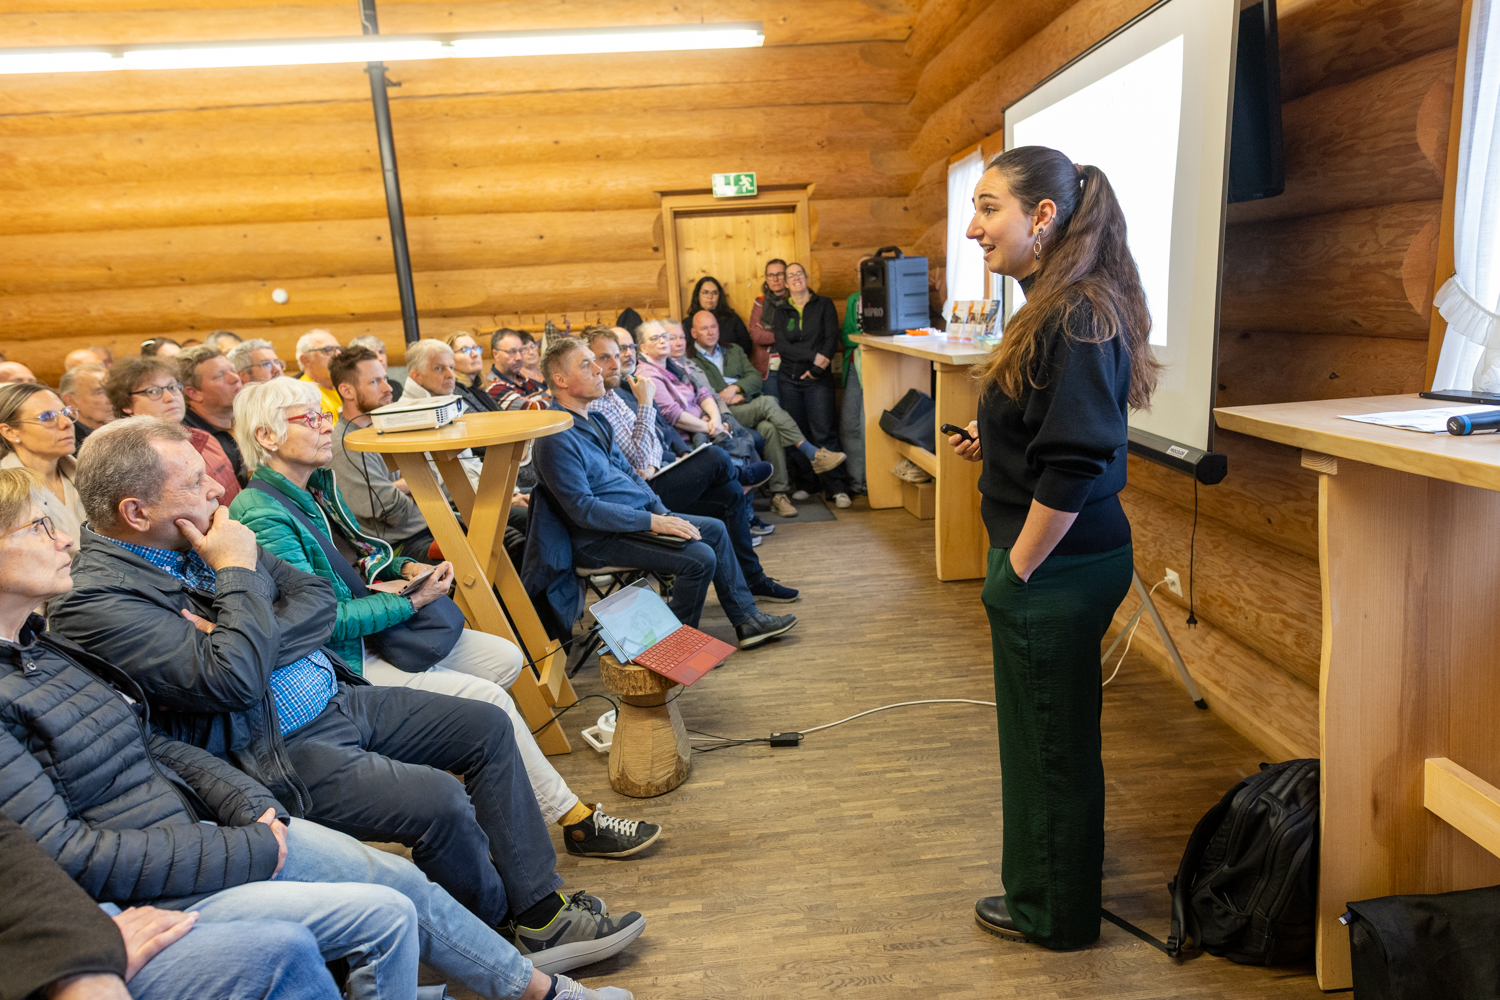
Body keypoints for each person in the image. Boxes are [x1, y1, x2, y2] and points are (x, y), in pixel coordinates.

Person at [1, 471, 632, 1000]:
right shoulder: (99, 599)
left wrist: (248, 805)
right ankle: (492, 945)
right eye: (37, 526)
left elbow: (316, 602)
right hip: (263, 755)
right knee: (431, 814)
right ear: (137, 511)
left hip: (296, 728)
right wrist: (240, 579)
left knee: (485, 722)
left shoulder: (42, 644)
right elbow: (232, 682)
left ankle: (532, 930)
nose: (215, 487)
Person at [229, 376, 661, 855]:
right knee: (490, 703)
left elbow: (361, 557)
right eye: (309, 419)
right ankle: (576, 820)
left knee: (505, 658)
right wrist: (409, 601)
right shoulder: (262, 513)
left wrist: (406, 566)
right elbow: (319, 623)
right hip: (343, 664)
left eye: (324, 416)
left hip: (373, 634)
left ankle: (484, 783)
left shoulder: (314, 488)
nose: (324, 428)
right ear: (266, 437)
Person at [954, 146, 1160, 950]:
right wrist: (995, 437)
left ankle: (1053, 914)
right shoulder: (1059, 301)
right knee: (1051, 739)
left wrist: (1019, 570)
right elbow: (1057, 424)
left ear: (1043, 217)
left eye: (988, 207)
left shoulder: (1074, 310)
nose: (973, 228)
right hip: (1065, 564)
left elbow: (1078, 458)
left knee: (1048, 748)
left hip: (1055, 570)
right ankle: (1054, 883)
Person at [528, 338, 796, 646]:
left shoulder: (596, 419)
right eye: (587, 364)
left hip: (632, 522)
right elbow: (583, 509)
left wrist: (660, 511)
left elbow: (629, 473)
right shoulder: (554, 437)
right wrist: (654, 522)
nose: (599, 370)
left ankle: (748, 621)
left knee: (714, 529)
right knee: (699, 558)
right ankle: (674, 645)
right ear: (560, 380)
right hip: (596, 538)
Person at [1, 812, 342, 1000]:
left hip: (201, 832)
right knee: (384, 915)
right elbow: (76, 852)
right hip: (155, 871)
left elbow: (11, 850)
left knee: (289, 950)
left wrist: (256, 808)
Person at [584, 328, 796, 603]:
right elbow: (641, 452)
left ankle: (753, 582)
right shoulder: (612, 397)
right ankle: (739, 474)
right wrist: (647, 407)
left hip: (659, 470)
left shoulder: (621, 390)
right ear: (589, 362)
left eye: (625, 349)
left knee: (730, 493)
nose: (620, 359)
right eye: (607, 356)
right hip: (640, 497)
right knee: (716, 457)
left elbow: (658, 437)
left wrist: (665, 458)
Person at [686, 310, 843, 519]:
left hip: (746, 406)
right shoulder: (691, 361)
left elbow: (755, 378)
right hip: (723, 416)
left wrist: (737, 389)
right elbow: (710, 392)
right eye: (704, 328)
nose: (710, 332)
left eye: (713, 326)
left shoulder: (733, 350)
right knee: (768, 402)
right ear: (694, 332)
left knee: (770, 429)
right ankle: (811, 452)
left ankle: (779, 495)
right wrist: (726, 393)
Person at [327, 347, 436, 560]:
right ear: (347, 391)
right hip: (399, 548)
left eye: (385, 378)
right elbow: (394, 511)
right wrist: (412, 483)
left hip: (433, 524)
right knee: (503, 547)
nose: (388, 388)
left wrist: (403, 485)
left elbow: (435, 476)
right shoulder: (344, 446)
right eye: (375, 382)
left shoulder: (385, 427)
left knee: (512, 534)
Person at [766, 262, 853, 508]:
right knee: (797, 432)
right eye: (790, 275)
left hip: (817, 379)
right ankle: (808, 484)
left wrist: (816, 368)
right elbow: (783, 346)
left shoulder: (823, 304)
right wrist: (811, 356)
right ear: (784, 282)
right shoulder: (782, 310)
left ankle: (837, 488)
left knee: (824, 431)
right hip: (789, 380)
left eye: (799, 274)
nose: (795, 278)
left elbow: (830, 337)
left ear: (806, 277)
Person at [104, 356, 240, 502]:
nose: (170, 397)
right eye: (153, 391)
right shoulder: (130, 463)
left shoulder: (206, 438)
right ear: (126, 404)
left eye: (172, 387)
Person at [0, 382, 85, 541]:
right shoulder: (4, 491)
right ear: (10, 432)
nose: (66, 423)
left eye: (65, 413)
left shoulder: (90, 473)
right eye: (47, 417)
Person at [633, 320, 727, 446]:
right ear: (643, 348)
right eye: (655, 338)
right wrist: (711, 428)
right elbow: (673, 415)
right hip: (687, 438)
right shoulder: (646, 375)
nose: (662, 341)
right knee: (740, 446)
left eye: (664, 336)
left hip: (704, 424)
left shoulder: (675, 364)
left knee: (747, 441)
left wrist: (716, 420)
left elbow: (702, 394)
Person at [179, 344, 247, 483]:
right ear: (194, 393)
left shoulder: (248, 417)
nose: (235, 378)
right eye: (220, 376)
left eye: (233, 370)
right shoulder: (192, 442)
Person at [839, 256, 872, 494]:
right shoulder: (852, 299)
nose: (864, 274)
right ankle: (855, 480)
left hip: (877, 365)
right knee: (850, 423)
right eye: (859, 270)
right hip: (853, 365)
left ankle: (871, 481)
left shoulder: (888, 296)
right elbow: (846, 335)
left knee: (866, 423)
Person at [684, 275, 754, 358]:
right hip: (699, 367)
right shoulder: (688, 323)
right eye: (705, 292)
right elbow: (686, 351)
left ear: (719, 296)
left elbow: (746, 345)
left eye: (714, 293)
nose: (710, 297)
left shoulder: (732, 318)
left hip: (730, 365)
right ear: (697, 295)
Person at [747, 259, 787, 382]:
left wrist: (769, 333)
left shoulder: (796, 302)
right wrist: (785, 335)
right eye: (771, 275)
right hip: (768, 368)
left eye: (779, 274)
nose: (775, 279)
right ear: (766, 278)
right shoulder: (760, 302)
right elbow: (757, 335)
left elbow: (800, 333)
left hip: (792, 364)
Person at [59, 362, 114, 448]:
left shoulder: (113, 432)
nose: (111, 399)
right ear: (71, 401)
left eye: (112, 391)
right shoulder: (65, 442)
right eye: (100, 393)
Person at [489, 329, 548, 406]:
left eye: (520, 351)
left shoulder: (520, 378)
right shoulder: (494, 386)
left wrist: (536, 400)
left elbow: (544, 396)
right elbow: (535, 409)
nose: (519, 357)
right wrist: (537, 401)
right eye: (511, 352)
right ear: (495, 354)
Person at [293, 329, 345, 417]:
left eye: (338, 349)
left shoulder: (345, 387)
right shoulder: (300, 396)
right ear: (305, 360)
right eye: (328, 349)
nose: (338, 354)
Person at [446, 331, 500, 414]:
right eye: (465, 350)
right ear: (449, 359)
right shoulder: (453, 394)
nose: (475, 354)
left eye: (475, 348)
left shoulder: (478, 390)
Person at [348, 335, 403, 402]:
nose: (380, 358)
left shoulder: (395, 386)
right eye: (372, 354)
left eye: (381, 352)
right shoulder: (354, 391)